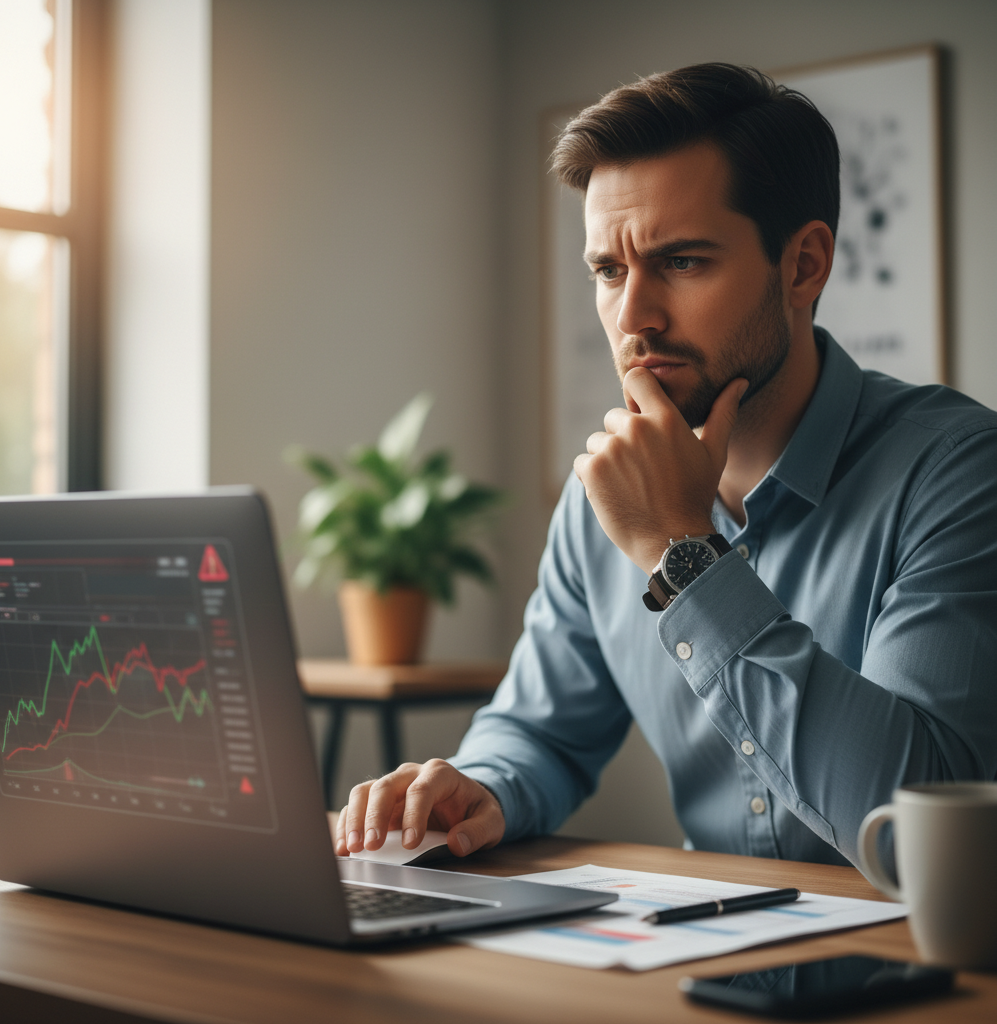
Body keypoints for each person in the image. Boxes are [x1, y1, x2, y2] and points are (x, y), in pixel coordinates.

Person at [334, 63, 997, 868]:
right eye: (609, 272)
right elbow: (541, 730)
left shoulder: (959, 473)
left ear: (805, 265)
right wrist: (483, 786)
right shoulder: (599, 506)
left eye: (682, 262)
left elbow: (921, 833)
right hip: (705, 968)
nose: (633, 318)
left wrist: (681, 551)